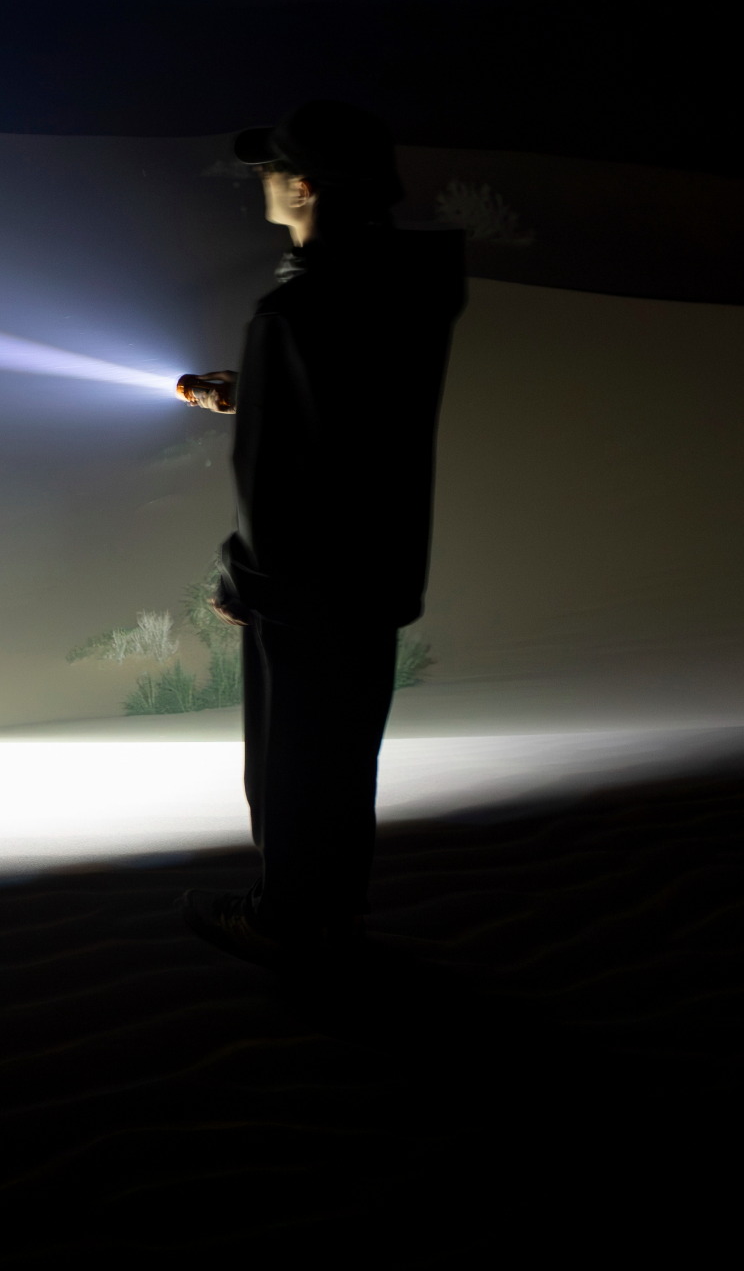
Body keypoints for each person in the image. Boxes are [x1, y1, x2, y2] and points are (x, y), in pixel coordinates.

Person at [171, 100, 465, 967]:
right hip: (376, 574)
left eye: (272, 172)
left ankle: (285, 926)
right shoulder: (404, 291)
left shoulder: (296, 315)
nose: (261, 184)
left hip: (303, 587)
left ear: (304, 186)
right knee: (342, 761)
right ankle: (333, 915)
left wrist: (241, 579)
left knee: (290, 766)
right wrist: (255, 389)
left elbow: (280, 478)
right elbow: (357, 421)